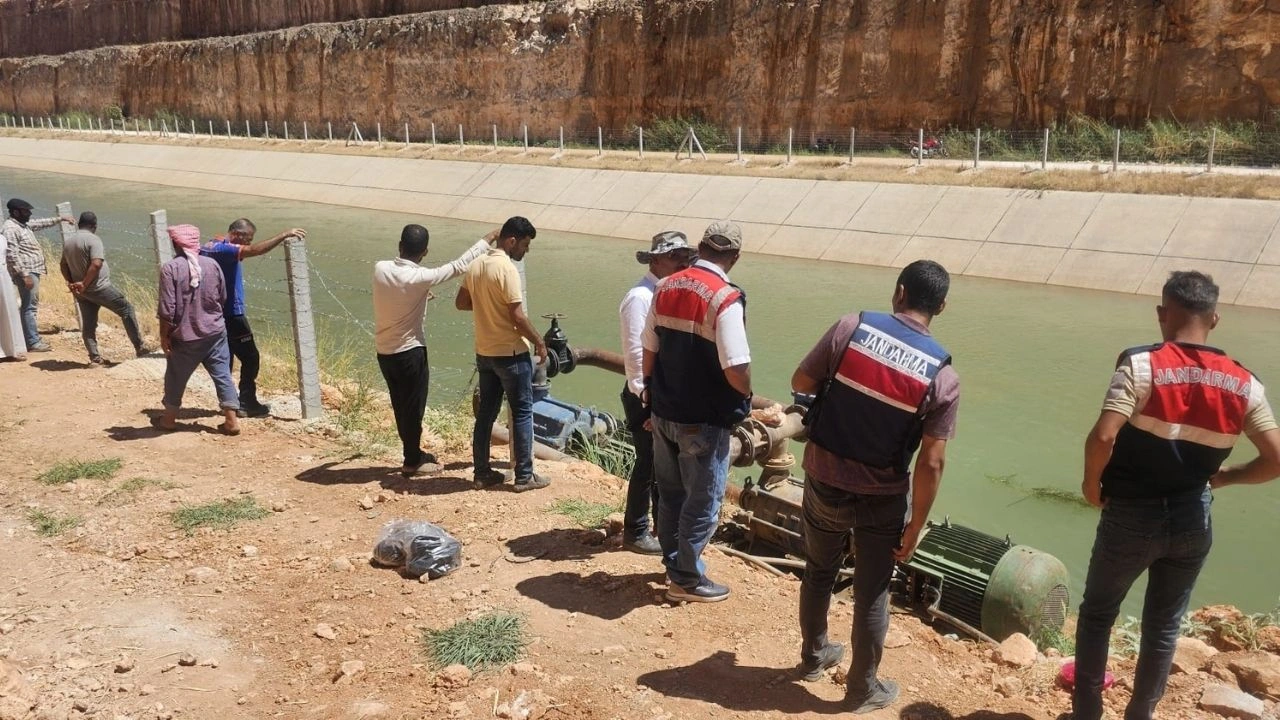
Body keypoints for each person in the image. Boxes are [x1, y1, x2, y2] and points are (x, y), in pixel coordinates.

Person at [1072, 270, 1280, 720]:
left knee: (1097, 615)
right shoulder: (1246, 384)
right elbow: (1276, 460)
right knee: (1164, 627)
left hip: (1130, 515)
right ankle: (1140, 715)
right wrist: (1224, 478)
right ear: (1216, 319)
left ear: (1163, 314)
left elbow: (1103, 437)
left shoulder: (1140, 365)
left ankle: (1087, 713)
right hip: (1192, 520)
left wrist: (1092, 486)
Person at [789, 259, 959, 714]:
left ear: (899, 292)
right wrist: (916, 523)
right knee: (871, 593)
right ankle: (862, 690)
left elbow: (801, 381)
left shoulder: (851, 327)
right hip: (882, 497)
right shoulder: (943, 377)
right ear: (940, 306)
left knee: (819, 571)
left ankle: (812, 656)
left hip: (823, 475)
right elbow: (933, 461)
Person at [641, 220, 751, 603]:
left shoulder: (666, 286)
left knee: (670, 494)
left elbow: (649, 348)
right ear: (734, 257)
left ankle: (674, 565)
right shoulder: (725, 298)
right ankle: (686, 578)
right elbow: (736, 365)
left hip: (664, 413)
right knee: (703, 500)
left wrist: (651, 397)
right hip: (703, 421)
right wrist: (747, 395)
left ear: (700, 247)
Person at [373, 224, 496, 476]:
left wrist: (420, 294)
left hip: (384, 352)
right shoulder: (420, 278)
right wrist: (489, 238)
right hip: (409, 352)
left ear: (400, 246)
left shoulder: (380, 268)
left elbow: (396, 290)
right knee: (414, 406)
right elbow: (460, 265)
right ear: (425, 252)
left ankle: (413, 452)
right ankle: (412, 460)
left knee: (400, 404)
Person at [455, 216, 549, 492]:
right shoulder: (506, 269)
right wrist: (539, 342)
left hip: (485, 352)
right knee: (521, 412)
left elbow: (461, 303)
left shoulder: (475, 265)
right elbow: (517, 315)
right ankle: (524, 476)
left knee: (486, 414)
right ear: (511, 240)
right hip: (511, 352)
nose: (526, 250)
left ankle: (482, 473)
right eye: (525, 244)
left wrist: (486, 306)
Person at [618, 230, 696, 555]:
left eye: (684, 258)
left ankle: (656, 527)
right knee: (649, 462)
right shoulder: (641, 298)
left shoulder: (665, 293)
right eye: (675, 257)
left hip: (658, 396)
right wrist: (648, 404)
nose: (682, 263)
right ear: (656, 260)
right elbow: (637, 358)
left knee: (660, 464)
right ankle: (636, 530)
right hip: (644, 395)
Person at [200, 218, 306, 418]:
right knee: (250, 358)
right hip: (232, 313)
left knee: (226, 358)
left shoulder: (210, 245)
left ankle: (229, 404)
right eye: (248, 239)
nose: (249, 243)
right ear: (238, 235)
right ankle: (247, 403)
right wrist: (284, 234)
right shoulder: (226, 250)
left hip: (216, 312)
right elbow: (256, 250)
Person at [157, 224, 240, 435]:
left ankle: (168, 420)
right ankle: (231, 420)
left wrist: (164, 335)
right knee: (222, 375)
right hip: (215, 332)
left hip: (186, 335)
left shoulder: (171, 269)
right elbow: (222, 297)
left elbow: (167, 309)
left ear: (176, 243)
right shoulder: (212, 264)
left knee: (176, 376)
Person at [60, 211, 151, 364]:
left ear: (79, 224)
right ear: (94, 226)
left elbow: (63, 265)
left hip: (81, 292)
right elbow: (96, 263)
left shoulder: (69, 241)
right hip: (98, 288)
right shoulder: (93, 240)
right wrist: (84, 283)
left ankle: (94, 357)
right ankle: (140, 347)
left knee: (88, 324)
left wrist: (71, 283)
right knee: (126, 309)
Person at [3, 198, 72, 353]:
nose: (29, 214)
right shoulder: (10, 229)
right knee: (30, 307)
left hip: (32, 270)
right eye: (26, 211)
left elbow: (40, 223)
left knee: (29, 305)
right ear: (15, 212)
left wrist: (60, 219)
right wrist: (25, 275)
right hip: (27, 272)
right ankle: (33, 342)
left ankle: (29, 338)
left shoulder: (22, 225)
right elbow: (12, 255)